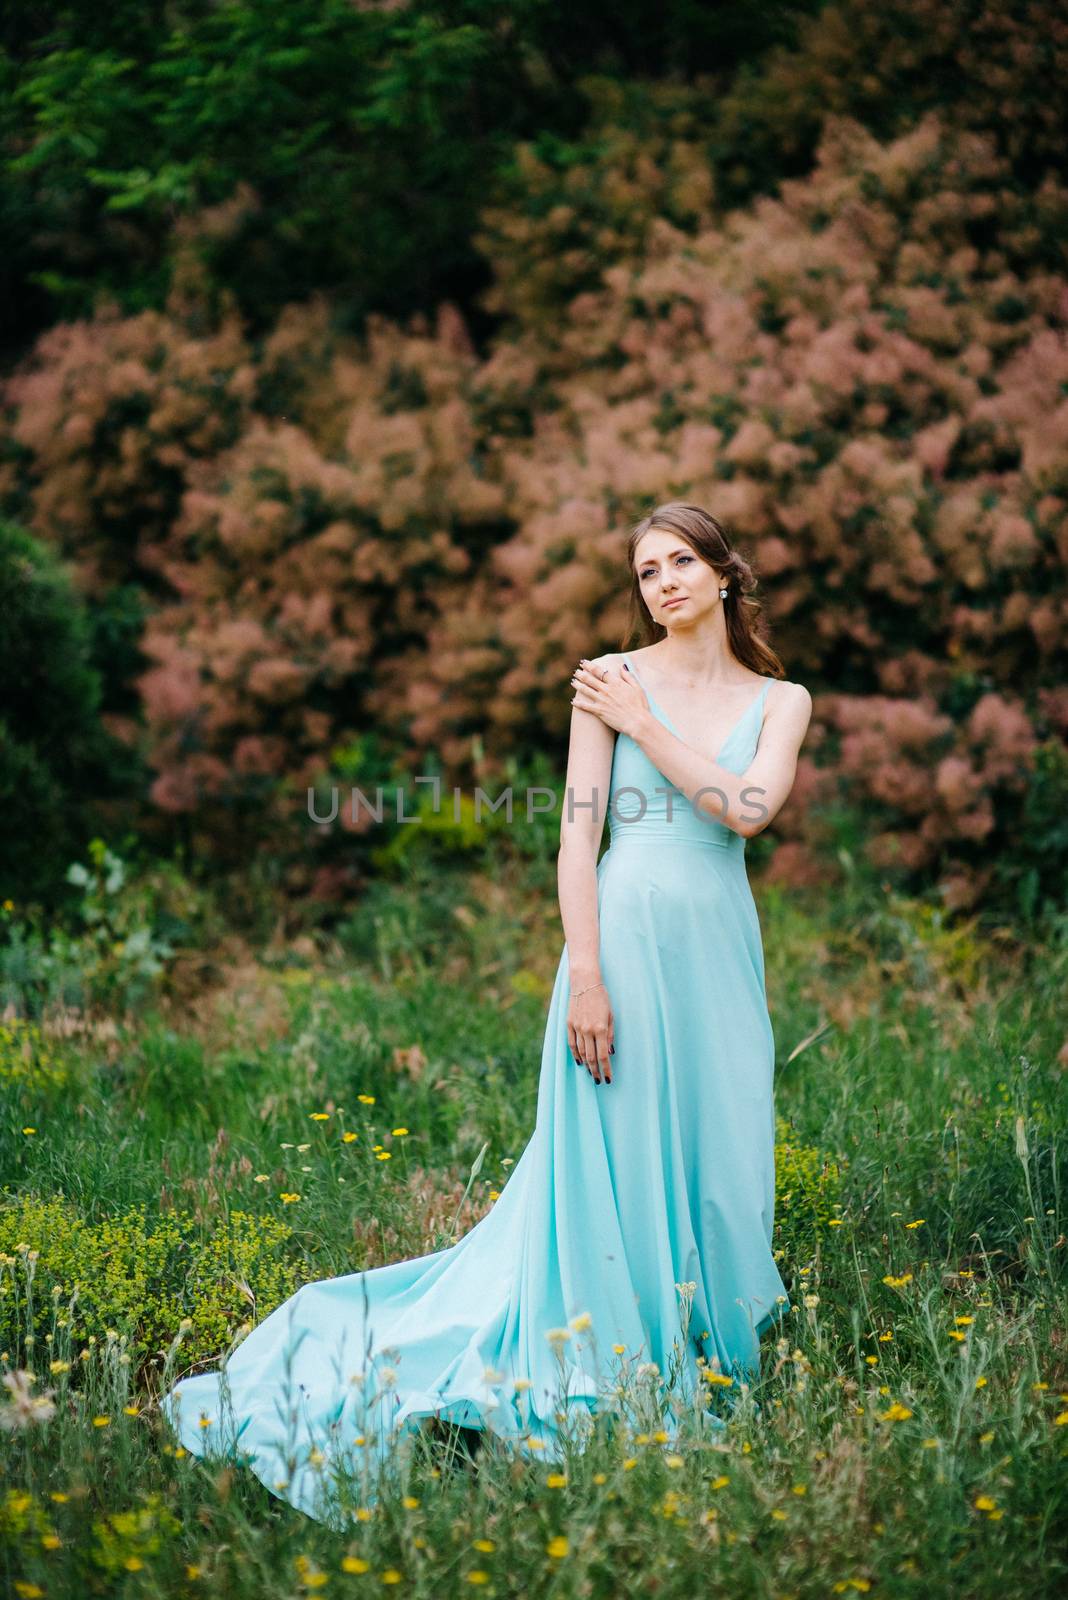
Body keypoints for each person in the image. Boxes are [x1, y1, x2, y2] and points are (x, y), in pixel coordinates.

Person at [160, 500, 813, 1527]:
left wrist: (647, 727)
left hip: (718, 960)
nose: (665, 583)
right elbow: (574, 840)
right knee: (613, 1166)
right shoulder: (608, 678)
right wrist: (584, 973)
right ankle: (604, 1368)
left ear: (725, 574)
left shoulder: (780, 700)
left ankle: (708, 1354)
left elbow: (748, 809)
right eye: (647, 571)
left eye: (682, 561)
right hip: (622, 957)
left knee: (723, 1166)